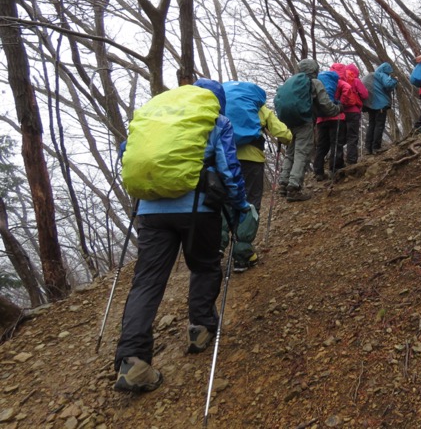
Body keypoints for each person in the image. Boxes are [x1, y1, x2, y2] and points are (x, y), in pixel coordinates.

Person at [114, 78, 250, 393]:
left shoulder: (156, 117)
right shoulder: (216, 120)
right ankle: (200, 327)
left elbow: (125, 150)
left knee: (146, 282)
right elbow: (228, 170)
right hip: (198, 209)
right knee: (204, 265)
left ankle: (132, 361)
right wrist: (240, 207)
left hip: (150, 212)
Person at [222, 81, 292, 270]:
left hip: (223, 161)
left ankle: (217, 248)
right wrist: (286, 137)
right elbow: (283, 134)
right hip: (251, 161)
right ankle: (242, 254)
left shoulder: (219, 106)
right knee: (250, 203)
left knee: (225, 202)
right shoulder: (258, 107)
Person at [277, 59, 342, 201]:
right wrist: (338, 109)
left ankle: (283, 183)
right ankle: (294, 188)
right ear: (314, 70)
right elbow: (326, 105)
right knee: (301, 153)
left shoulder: (290, 83)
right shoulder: (314, 83)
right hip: (304, 122)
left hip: (287, 122)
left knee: (290, 153)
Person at [313, 64, 348, 181]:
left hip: (320, 118)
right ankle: (335, 168)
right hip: (336, 116)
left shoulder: (319, 80)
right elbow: (347, 88)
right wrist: (341, 103)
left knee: (321, 146)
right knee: (336, 142)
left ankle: (318, 171)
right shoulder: (338, 80)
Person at [363, 62, 398, 154]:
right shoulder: (382, 75)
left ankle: (368, 148)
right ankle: (376, 147)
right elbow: (388, 85)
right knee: (379, 125)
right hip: (380, 104)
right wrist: (394, 80)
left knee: (372, 125)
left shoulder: (372, 76)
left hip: (369, 104)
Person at [342, 63, 369, 164]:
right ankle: (352, 160)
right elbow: (364, 94)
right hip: (353, 111)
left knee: (341, 137)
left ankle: (338, 161)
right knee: (352, 136)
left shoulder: (341, 80)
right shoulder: (355, 80)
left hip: (341, 112)